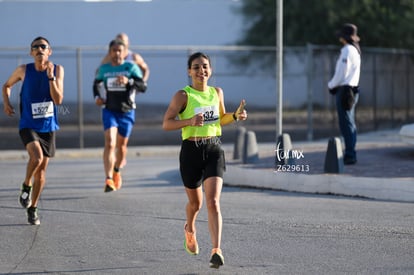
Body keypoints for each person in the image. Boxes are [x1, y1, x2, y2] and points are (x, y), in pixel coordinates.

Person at [162, 52, 247, 268]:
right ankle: (189, 228)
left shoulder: (216, 92)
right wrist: (189, 120)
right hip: (191, 150)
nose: (202, 71)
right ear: (189, 71)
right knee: (195, 203)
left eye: (205, 66)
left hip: (213, 148)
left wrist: (235, 116)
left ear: (210, 70)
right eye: (197, 67)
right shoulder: (183, 95)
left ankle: (216, 250)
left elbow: (221, 118)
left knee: (213, 202)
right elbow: (167, 123)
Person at [2, 36, 64, 225]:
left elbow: (58, 100)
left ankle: (33, 208)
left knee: (42, 173)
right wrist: (6, 102)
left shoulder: (57, 70)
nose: (39, 49)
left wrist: (51, 77)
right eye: (35, 47)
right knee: (36, 158)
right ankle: (26, 184)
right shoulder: (23, 70)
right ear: (31, 52)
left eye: (43, 46)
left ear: (49, 51)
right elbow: (6, 85)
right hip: (28, 124)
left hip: (48, 127)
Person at [93, 39, 146, 192]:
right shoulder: (104, 69)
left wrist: (129, 81)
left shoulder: (131, 67)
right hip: (109, 109)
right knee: (110, 143)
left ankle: (116, 170)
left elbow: (143, 86)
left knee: (121, 147)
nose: (117, 53)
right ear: (109, 53)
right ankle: (108, 179)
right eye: (114, 50)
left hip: (127, 111)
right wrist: (97, 97)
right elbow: (96, 84)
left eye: (119, 50)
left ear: (124, 52)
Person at [328, 23, 361, 165]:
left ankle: (349, 154)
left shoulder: (347, 50)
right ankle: (350, 152)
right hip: (352, 90)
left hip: (345, 90)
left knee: (346, 123)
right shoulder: (355, 50)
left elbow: (342, 72)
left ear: (344, 37)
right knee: (350, 123)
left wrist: (331, 85)